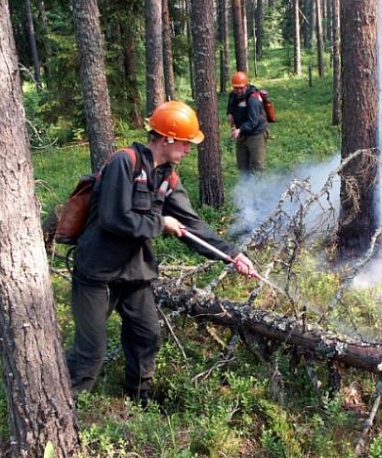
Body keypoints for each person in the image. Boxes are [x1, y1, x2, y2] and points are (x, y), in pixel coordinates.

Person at [66, 100, 258, 406]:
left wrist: (232, 255)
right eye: (186, 143)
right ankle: (66, 406)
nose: (188, 150)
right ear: (168, 138)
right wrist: (161, 223)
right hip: (96, 273)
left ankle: (137, 401)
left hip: (134, 274)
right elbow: (114, 219)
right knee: (91, 350)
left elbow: (192, 225)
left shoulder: (167, 177)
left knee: (146, 337)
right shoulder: (123, 163)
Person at [226, 71, 269, 175]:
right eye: (236, 88)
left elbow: (253, 121)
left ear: (246, 85)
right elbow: (230, 109)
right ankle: (245, 189)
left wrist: (239, 130)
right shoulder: (233, 96)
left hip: (256, 135)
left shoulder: (252, 99)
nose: (239, 90)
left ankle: (257, 189)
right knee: (243, 167)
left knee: (256, 167)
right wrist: (230, 115)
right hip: (241, 135)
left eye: (241, 87)